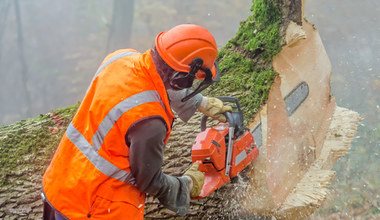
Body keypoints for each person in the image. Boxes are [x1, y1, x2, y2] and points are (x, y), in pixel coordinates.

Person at [42, 24, 232, 220]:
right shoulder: (150, 121)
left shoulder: (120, 59)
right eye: (192, 79)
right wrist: (187, 184)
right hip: (95, 209)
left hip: (60, 186)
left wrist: (199, 102)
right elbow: (150, 181)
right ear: (182, 76)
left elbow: (153, 80)